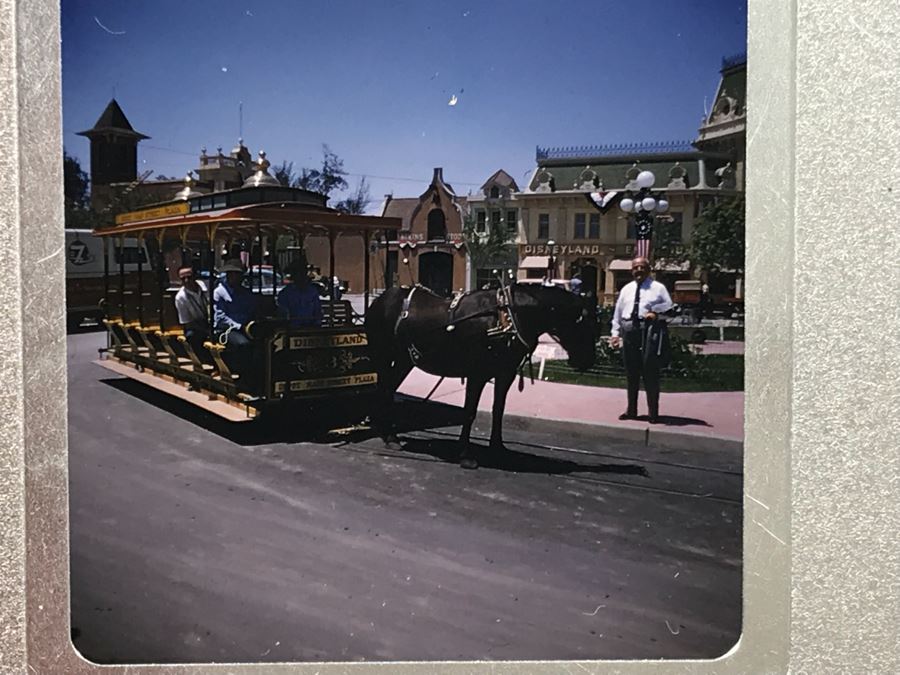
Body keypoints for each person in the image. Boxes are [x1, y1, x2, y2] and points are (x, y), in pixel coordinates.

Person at [609, 256, 673, 423]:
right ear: (631, 270)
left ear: (648, 269)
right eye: (635, 267)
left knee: (650, 372)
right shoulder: (626, 289)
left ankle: (653, 413)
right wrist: (615, 334)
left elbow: (669, 306)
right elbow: (618, 313)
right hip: (629, 331)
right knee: (631, 373)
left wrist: (655, 312)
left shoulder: (658, 288)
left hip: (648, 332)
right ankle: (631, 410)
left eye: (642, 267)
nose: (639, 270)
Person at [213, 259, 259, 387]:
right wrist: (240, 326)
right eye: (235, 274)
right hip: (225, 330)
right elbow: (221, 318)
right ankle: (243, 377)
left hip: (247, 328)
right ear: (229, 275)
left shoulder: (246, 293)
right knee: (243, 344)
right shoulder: (219, 292)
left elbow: (253, 310)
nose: (238, 278)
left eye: (239, 274)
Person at [173, 267, 210, 358]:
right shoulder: (180, 297)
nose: (186, 280)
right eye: (183, 279)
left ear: (195, 276)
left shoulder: (207, 286)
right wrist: (206, 329)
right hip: (196, 325)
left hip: (212, 320)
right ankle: (203, 360)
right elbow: (187, 322)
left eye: (189, 277)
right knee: (192, 336)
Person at [277, 261, 323, 328]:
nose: (302, 276)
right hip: (293, 328)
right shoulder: (285, 293)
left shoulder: (312, 291)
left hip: (311, 327)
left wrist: (316, 324)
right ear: (293, 275)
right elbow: (283, 315)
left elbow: (317, 311)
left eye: (304, 273)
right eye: (299, 273)